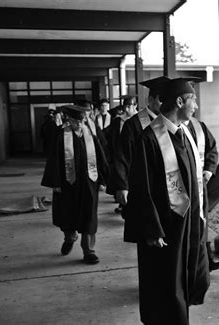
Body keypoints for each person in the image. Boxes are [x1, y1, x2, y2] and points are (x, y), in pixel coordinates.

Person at [124, 78, 209, 325]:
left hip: (187, 222)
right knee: (165, 284)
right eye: (193, 100)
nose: (196, 106)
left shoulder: (186, 133)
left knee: (184, 281)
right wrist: (151, 228)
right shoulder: (151, 138)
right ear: (180, 101)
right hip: (165, 226)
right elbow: (141, 187)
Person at [41, 104, 108, 264]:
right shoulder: (60, 136)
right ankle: (70, 237)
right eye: (76, 121)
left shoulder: (90, 135)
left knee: (89, 217)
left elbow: (100, 157)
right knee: (67, 215)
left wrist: (105, 178)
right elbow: (54, 160)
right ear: (69, 120)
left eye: (82, 121)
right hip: (67, 184)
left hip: (89, 183)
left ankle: (89, 250)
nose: (79, 124)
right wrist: (55, 182)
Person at [112, 77, 170, 212]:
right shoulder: (133, 124)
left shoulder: (168, 122)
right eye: (161, 100)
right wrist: (122, 185)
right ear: (150, 100)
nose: (165, 104)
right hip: (140, 184)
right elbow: (122, 156)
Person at [186, 114, 219, 271]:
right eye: (192, 100)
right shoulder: (161, 130)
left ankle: (204, 261)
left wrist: (209, 170)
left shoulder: (199, 126)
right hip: (176, 188)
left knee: (201, 222)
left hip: (200, 185)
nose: (195, 106)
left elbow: (212, 149)